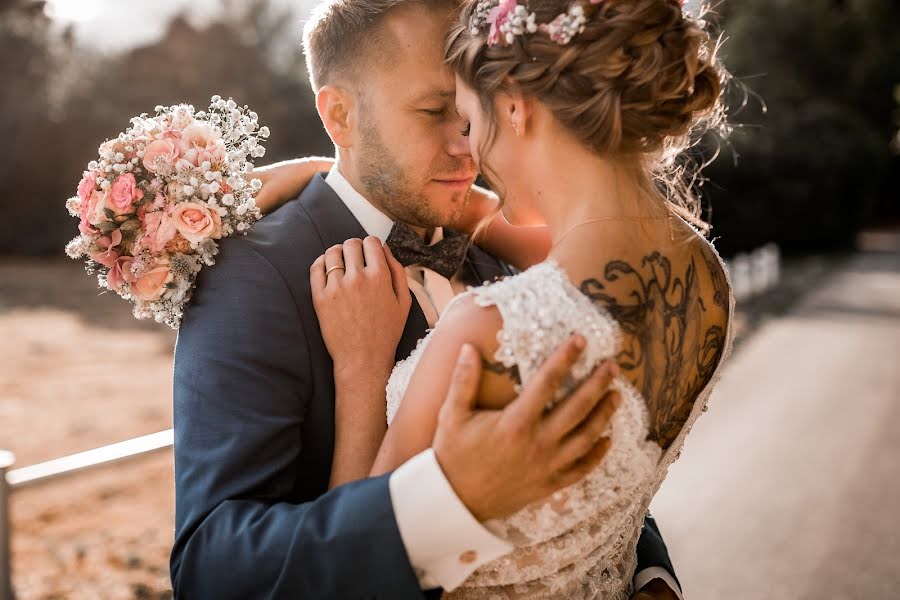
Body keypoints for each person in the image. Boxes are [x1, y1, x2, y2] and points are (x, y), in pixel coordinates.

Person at [170, 1, 681, 599]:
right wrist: (444, 501)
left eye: (472, 108)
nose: (469, 144)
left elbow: (596, 438)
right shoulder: (255, 274)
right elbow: (213, 569)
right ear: (340, 117)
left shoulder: (499, 252)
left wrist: (648, 573)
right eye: (435, 111)